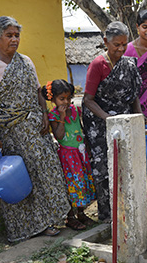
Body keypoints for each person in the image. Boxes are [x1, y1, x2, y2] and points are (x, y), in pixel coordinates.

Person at [0, 16, 70, 241]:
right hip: (10, 131)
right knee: (22, 177)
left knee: (46, 171)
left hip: (35, 128)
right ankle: (30, 227)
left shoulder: (26, 61)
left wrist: (44, 117)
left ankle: (53, 218)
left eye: (16, 35)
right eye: (9, 35)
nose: (14, 39)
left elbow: (38, 92)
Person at [82, 21, 143, 222]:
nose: (120, 49)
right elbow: (88, 100)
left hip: (124, 122)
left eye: (124, 44)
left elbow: (133, 96)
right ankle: (107, 214)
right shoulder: (98, 65)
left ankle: (127, 208)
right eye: (116, 44)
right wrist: (109, 120)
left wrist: (139, 119)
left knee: (126, 164)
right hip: (100, 123)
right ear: (105, 42)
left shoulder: (129, 64)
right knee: (104, 168)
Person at [42, 79, 96, 230]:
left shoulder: (75, 110)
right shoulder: (54, 115)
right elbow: (59, 135)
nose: (66, 101)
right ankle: (70, 217)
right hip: (68, 156)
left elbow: (81, 128)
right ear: (52, 99)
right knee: (73, 184)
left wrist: (87, 146)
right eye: (61, 99)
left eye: (68, 98)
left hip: (80, 153)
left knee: (83, 181)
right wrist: (62, 116)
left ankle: (81, 213)